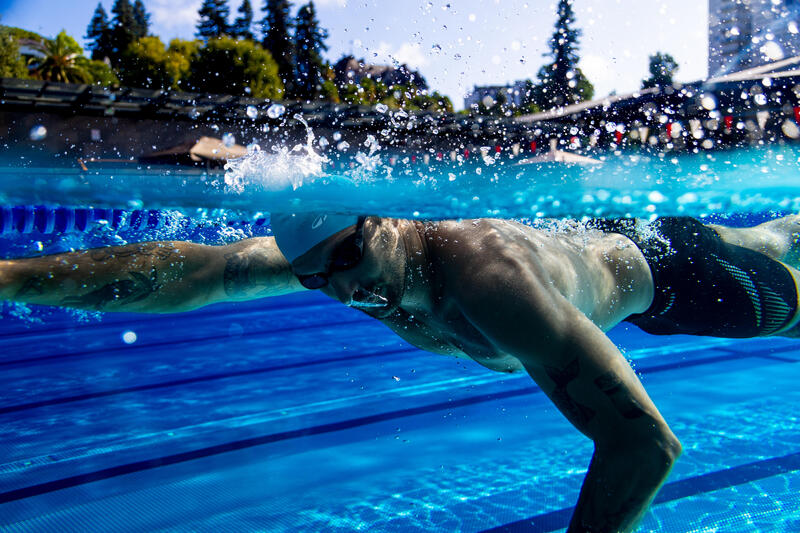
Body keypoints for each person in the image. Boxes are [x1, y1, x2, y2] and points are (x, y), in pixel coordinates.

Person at [2, 213, 799, 532]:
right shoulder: (337, 250)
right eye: (318, 278)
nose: (347, 291)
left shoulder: (490, 281)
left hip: (684, 278)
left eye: (349, 259)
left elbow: (646, 445)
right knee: (766, 234)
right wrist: (12, 278)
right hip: (596, 242)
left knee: (766, 262)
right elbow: (201, 270)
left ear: (391, 215)